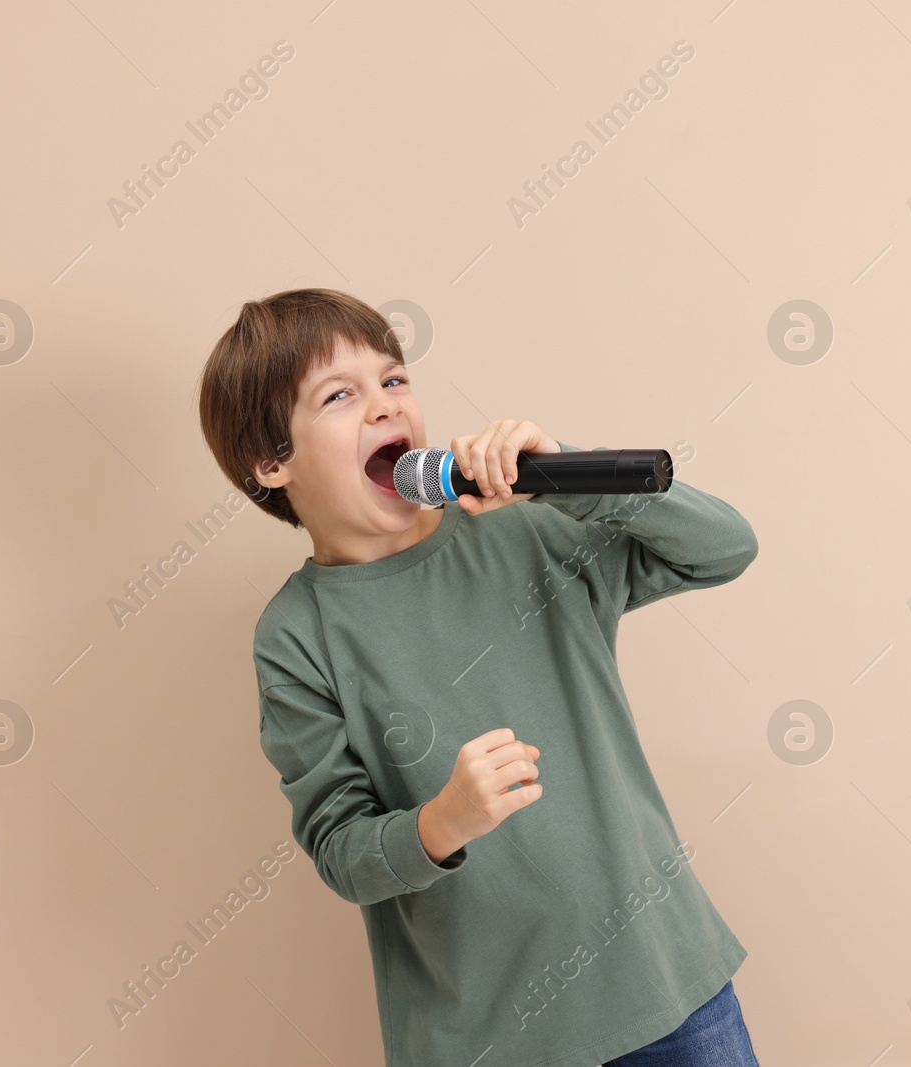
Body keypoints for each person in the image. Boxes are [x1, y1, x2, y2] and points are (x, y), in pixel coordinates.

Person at [197, 288, 763, 1067]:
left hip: (664, 988)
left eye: (393, 380)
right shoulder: (297, 634)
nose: (382, 408)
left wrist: (567, 476)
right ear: (272, 463)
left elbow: (725, 546)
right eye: (339, 395)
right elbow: (338, 845)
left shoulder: (529, 530)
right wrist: (441, 823)